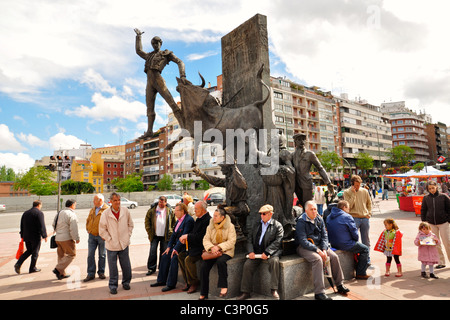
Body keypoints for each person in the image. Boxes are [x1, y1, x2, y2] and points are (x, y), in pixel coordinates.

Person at [134, 28, 186, 138]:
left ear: (160, 43)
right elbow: (138, 51)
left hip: (158, 80)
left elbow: (180, 62)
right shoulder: (149, 55)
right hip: (149, 82)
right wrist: (139, 37)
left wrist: (183, 76)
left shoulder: (166, 54)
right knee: (149, 108)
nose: (155, 45)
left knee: (171, 103)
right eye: (153, 43)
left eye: (157, 43)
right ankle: (149, 131)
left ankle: (183, 127)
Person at [295, 201, 350, 300]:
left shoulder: (319, 219)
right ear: (306, 210)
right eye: (311, 209)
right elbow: (303, 241)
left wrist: (324, 249)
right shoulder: (301, 221)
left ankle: (339, 284)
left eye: (315, 209)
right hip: (304, 247)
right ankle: (319, 293)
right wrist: (317, 250)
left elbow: (325, 236)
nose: (314, 211)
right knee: (317, 259)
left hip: (320, 246)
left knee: (334, 256)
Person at [237, 204, 284, 300]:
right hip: (257, 252)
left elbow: (278, 241)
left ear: (270, 214)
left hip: (271, 252)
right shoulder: (257, 224)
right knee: (247, 265)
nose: (261, 216)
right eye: (260, 214)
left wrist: (267, 252)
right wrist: (250, 252)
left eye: (264, 214)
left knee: (274, 262)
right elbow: (249, 239)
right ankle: (246, 292)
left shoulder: (277, 226)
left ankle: (274, 289)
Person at [151, 203, 194, 292]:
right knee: (165, 255)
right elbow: (174, 235)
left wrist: (175, 249)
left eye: (176, 211)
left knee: (174, 258)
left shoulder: (188, 220)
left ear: (182, 211)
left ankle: (171, 284)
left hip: (184, 247)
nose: (174, 213)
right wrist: (169, 247)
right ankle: (161, 280)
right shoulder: (179, 220)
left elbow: (183, 238)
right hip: (177, 246)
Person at [99, 193, 134, 294]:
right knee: (113, 267)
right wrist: (109, 239)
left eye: (119, 200)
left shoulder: (125, 211)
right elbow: (102, 230)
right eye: (115, 200)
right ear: (110, 201)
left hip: (124, 243)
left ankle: (126, 282)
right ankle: (113, 286)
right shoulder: (105, 213)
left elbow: (130, 224)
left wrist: (128, 236)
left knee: (126, 265)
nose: (118, 202)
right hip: (111, 245)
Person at [326, 200, 370, 279]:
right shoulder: (347, 216)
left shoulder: (329, 216)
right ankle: (361, 273)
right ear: (344, 207)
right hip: (345, 244)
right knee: (365, 249)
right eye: (348, 208)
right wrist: (355, 240)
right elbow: (354, 233)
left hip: (333, 243)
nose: (349, 210)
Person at [199, 208, 237, 300]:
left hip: (226, 250)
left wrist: (219, 247)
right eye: (214, 215)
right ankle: (204, 293)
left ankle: (224, 287)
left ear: (222, 217)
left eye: (216, 216)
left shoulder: (230, 226)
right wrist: (212, 248)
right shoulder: (210, 225)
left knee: (221, 262)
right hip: (212, 251)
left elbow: (232, 241)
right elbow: (206, 239)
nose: (214, 218)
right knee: (204, 267)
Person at [292, 133, 334, 210]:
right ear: (295, 142)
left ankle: (313, 220)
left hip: (306, 183)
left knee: (309, 205)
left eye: (303, 139)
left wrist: (328, 182)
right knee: (302, 205)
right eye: (299, 140)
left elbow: (320, 168)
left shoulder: (310, 154)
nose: (302, 141)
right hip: (296, 184)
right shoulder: (292, 155)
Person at [178, 200, 211, 294]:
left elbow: (201, 237)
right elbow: (194, 233)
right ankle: (187, 281)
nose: (194, 210)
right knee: (180, 255)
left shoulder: (207, 220)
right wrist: (187, 238)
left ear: (203, 210)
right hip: (194, 246)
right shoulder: (199, 218)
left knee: (188, 259)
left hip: (202, 248)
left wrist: (188, 236)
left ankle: (194, 283)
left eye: (196, 209)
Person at [420, 181, 450, 269]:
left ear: (436, 187)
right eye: (429, 189)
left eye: (433, 188)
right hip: (431, 224)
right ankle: (441, 262)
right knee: (435, 243)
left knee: (447, 243)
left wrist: (448, 220)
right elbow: (423, 210)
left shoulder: (443, 196)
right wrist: (424, 223)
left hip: (444, 223)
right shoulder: (426, 198)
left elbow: (449, 208)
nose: (431, 190)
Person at [343, 175, 372, 263]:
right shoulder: (347, 192)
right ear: (352, 184)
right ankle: (356, 259)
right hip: (353, 218)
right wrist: (353, 194)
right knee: (354, 240)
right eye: (356, 185)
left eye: (359, 185)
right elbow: (349, 206)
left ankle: (367, 259)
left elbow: (369, 203)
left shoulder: (365, 191)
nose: (358, 187)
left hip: (365, 218)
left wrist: (369, 213)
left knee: (366, 240)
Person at [145, 196, 176, 276]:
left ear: (166, 202)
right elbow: (147, 221)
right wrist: (149, 231)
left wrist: (171, 231)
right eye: (159, 202)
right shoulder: (152, 210)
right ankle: (151, 268)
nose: (160, 204)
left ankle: (162, 268)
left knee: (164, 252)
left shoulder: (170, 211)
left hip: (165, 236)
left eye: (162, 202)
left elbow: (174, 222)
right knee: (152, 252)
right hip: (154, 235)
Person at [14, 200, 47, 274]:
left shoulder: (25, 213)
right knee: (35, 252)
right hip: (35, 236)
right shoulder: (39, 213)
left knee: (29, 250)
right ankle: (32, 268)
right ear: (39, 205)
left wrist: (22, 235)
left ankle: (18, 264)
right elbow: (41, 225)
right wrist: (44, 235)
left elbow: (22, 225)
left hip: (26, 236)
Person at [84, 194, 109, 282]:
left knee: (102, 255)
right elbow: (88, 220)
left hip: (102, 237)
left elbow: (110, 224)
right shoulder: (92, 209)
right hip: (92, 236)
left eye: (95, 200)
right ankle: (90, 274)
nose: (93, 201)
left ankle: (101, 272)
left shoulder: (107, 210)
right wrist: (88, 229)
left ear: (100, 200)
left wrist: (105, 234)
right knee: (90, 255)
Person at [52, 199, 80, 280]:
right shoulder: (71, 214)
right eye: (75, 205)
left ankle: (61, 274)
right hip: (66, 238)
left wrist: (59, 231)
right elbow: (73, 227)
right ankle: (58, 269)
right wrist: (76, 238)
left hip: (58, 238)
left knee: (61, 255)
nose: (75, 206)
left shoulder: (59, 213)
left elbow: (54, 224)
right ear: (72, 205)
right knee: (71, 254)